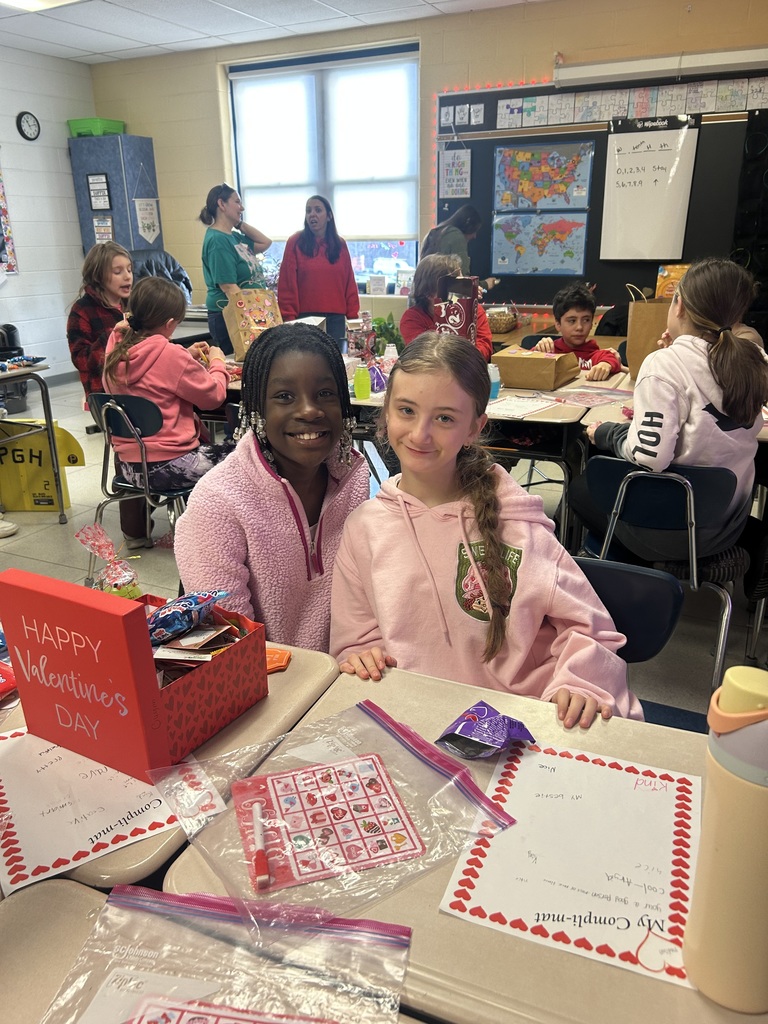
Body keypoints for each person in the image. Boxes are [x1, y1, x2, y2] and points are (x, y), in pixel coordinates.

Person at [330, 332, 642, 730]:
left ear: (475, 428)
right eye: (406, 410)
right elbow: (355, 638)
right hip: (415, 719)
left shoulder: (515, 523)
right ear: (385, 411)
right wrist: (361, 653)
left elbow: (591, 628)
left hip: (521, 722)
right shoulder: (364, 529)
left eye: (444, 418)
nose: (420, 434)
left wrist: (579, 682)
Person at [174, 322, 370, 652]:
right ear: (257, 409)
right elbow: (232, 642)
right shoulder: (218, 503)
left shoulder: (354, 478)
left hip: (347, 673)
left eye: (325, 393)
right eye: (284, 396)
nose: (309, 409)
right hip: (265, 685)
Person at [571, 258, 768, 561]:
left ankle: (640, 575)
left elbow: (652, 459)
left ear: (680, 306)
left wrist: (611, 435)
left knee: (582, 490)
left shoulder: (664, 365)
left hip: (677, 534)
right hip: (728, 527)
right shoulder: (754, 358)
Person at [103, 277, 233, 547]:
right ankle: (226, 537)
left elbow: (151, 369)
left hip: (129, 467)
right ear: (171, 324)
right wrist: (218, 362)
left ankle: (135, 534)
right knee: (244, 454)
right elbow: (214, 396)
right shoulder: (169, 356)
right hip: (171, 466)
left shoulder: (115, 344)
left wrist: (184, 355)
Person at [277, 195, 359, 351]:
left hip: (336, 319)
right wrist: (289, 319)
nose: (312, 214)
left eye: (318, 210)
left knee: (334, 363)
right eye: (308, 211)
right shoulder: (295, 242)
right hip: (306, 318)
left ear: (329, 216)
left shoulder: (339, 244)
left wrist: (354, 319)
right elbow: (287, 283)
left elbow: (349, 282)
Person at [199, 183, 272, 356]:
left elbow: (265, 243)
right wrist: (253, 317)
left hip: (249, 311)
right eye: (237, 202)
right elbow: (229, 288)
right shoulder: (218, 241)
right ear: (222, 204)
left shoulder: (234, 237)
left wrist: (239, 224)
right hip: (231, 315)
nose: (242, 207)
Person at [67, 242, 133, 400]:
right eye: (118, 272)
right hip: (107, 394)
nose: (127, 276)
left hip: (140, 385)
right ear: (98, 277)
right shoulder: (82, 310)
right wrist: (113, 336)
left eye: (129, 269)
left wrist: (184, 354)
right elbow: (81, 360)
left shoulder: (136, 304)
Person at [400, 254, 493, 361]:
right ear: (429, 293)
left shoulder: (474, 310)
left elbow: (485, 348)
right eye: (454, 286)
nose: (462, 290)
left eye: (463, 283)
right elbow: (424, 357)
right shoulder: (412, 318)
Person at [533, 282, 622, 382]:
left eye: (586, 320)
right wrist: (537, 351)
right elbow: (523, 360)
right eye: (572, 321)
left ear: (592, 323)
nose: (579, 327)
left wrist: (605, 365)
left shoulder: (594, 355)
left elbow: (610, 359)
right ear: (558, 324)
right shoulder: (549, 350)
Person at [420, 204, 499, 291]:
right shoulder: (456, 236)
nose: (474, 236)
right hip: (440, 300)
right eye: (474, 231)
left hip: (422, 298)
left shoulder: (434, 233)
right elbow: (462, 283)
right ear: (468, 226)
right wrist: (485, 284)